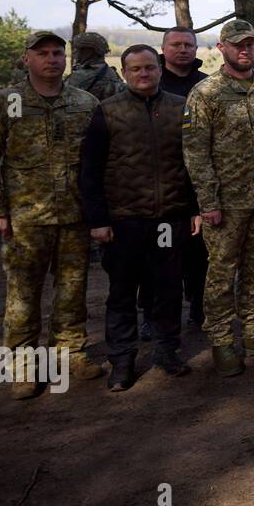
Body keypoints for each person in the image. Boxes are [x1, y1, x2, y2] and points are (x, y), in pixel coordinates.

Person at [0, 31, 105, 398]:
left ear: (66, 59)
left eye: (57, 53)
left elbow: (98, 162)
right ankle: (23, 365)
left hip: (75, 215)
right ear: (27, 58)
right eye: (42, 53)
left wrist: (99, 212)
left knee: (73, 290)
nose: (51, 59)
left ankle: (70, 351)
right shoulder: (6, 102)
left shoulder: (84, 102)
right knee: (23, 294)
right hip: (25, 218)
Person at [79, 45, 199, 390]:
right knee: (122, 292)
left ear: (159, 69)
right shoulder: (108, 111)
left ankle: (166, 350)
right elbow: (90, 170)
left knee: (167, 287)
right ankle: (122, 361)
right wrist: (98, 219)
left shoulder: (179, 109)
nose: (143, 74)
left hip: (169, 219)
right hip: (125, 220)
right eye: (135, 70)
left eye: (149, 68)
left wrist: (192, 209)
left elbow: (191, 164)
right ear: (125, 72)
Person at [183, 19, 254, 376]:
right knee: (220, 274)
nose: (244, 50)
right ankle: (220, 341)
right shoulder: (206, 93)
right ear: (222, 48)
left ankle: (253, 334)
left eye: (249, 44)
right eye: (237, 45)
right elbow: (195, 151)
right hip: (226, 203)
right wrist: (208, 203)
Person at [158, 26, 209, 330]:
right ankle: (156, 313)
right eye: (176, 44)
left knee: (199, 254)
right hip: (161, 183)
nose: (183, 50)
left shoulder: (205, 85)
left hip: (198, 183)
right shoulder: (152, 81)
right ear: (163, 49)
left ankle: (198, 307)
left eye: (188, 45)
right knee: (161, 255)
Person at [65, 31, 127, 100]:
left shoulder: (80, 76)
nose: (75, 52)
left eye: (80, 49)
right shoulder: (112, 73)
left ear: (90, 52)